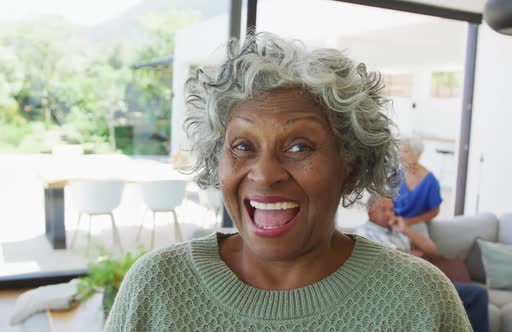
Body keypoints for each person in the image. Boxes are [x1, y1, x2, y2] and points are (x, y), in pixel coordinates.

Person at [104, 32, 471, 331]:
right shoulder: (157, 287)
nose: (264, 173)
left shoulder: (418, 299)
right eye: (243, 146)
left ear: (351, 164)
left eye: (299, 146)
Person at [358, 196, 490, 332]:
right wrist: (412, 254)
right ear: (370, 212)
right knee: (477, 293)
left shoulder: (397, 231)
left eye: (391, 209)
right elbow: (390, 258)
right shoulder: (365, 232)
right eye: (383, 210)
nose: (388, 214)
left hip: (420, 280)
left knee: (475, 293)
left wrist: (405, 230)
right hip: (403, 286)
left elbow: (431, 250)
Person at [393, 135, 442, 237]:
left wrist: (410, 221)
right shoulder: (397, 175)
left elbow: (435, 211)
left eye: (406, 151)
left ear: (418, 153)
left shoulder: (430, 181)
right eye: (400, 152)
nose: (401, 156)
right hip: (394, 224)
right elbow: (386, 201)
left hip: (416, 226)